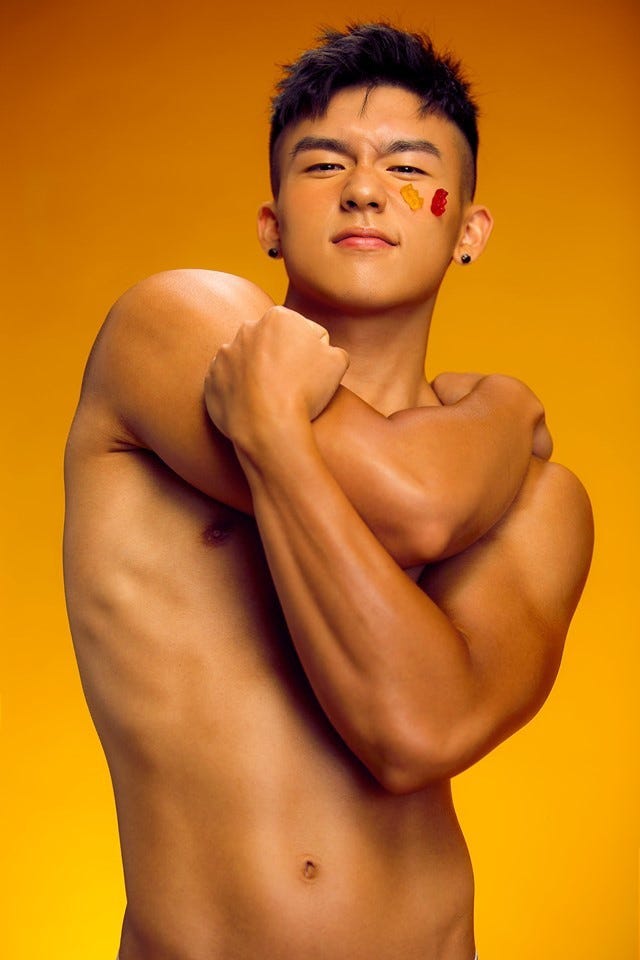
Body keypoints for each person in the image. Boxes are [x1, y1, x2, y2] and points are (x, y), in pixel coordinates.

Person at [63, 23, 593, 960]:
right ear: (270, 224)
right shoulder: (177, 329)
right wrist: (509, 411)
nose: (363, 190)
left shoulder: (544, 505)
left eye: (408, 167)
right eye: (322, 164)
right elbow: (418, 504)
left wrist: (273, 438)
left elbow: (416, 731)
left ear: (468, 231)